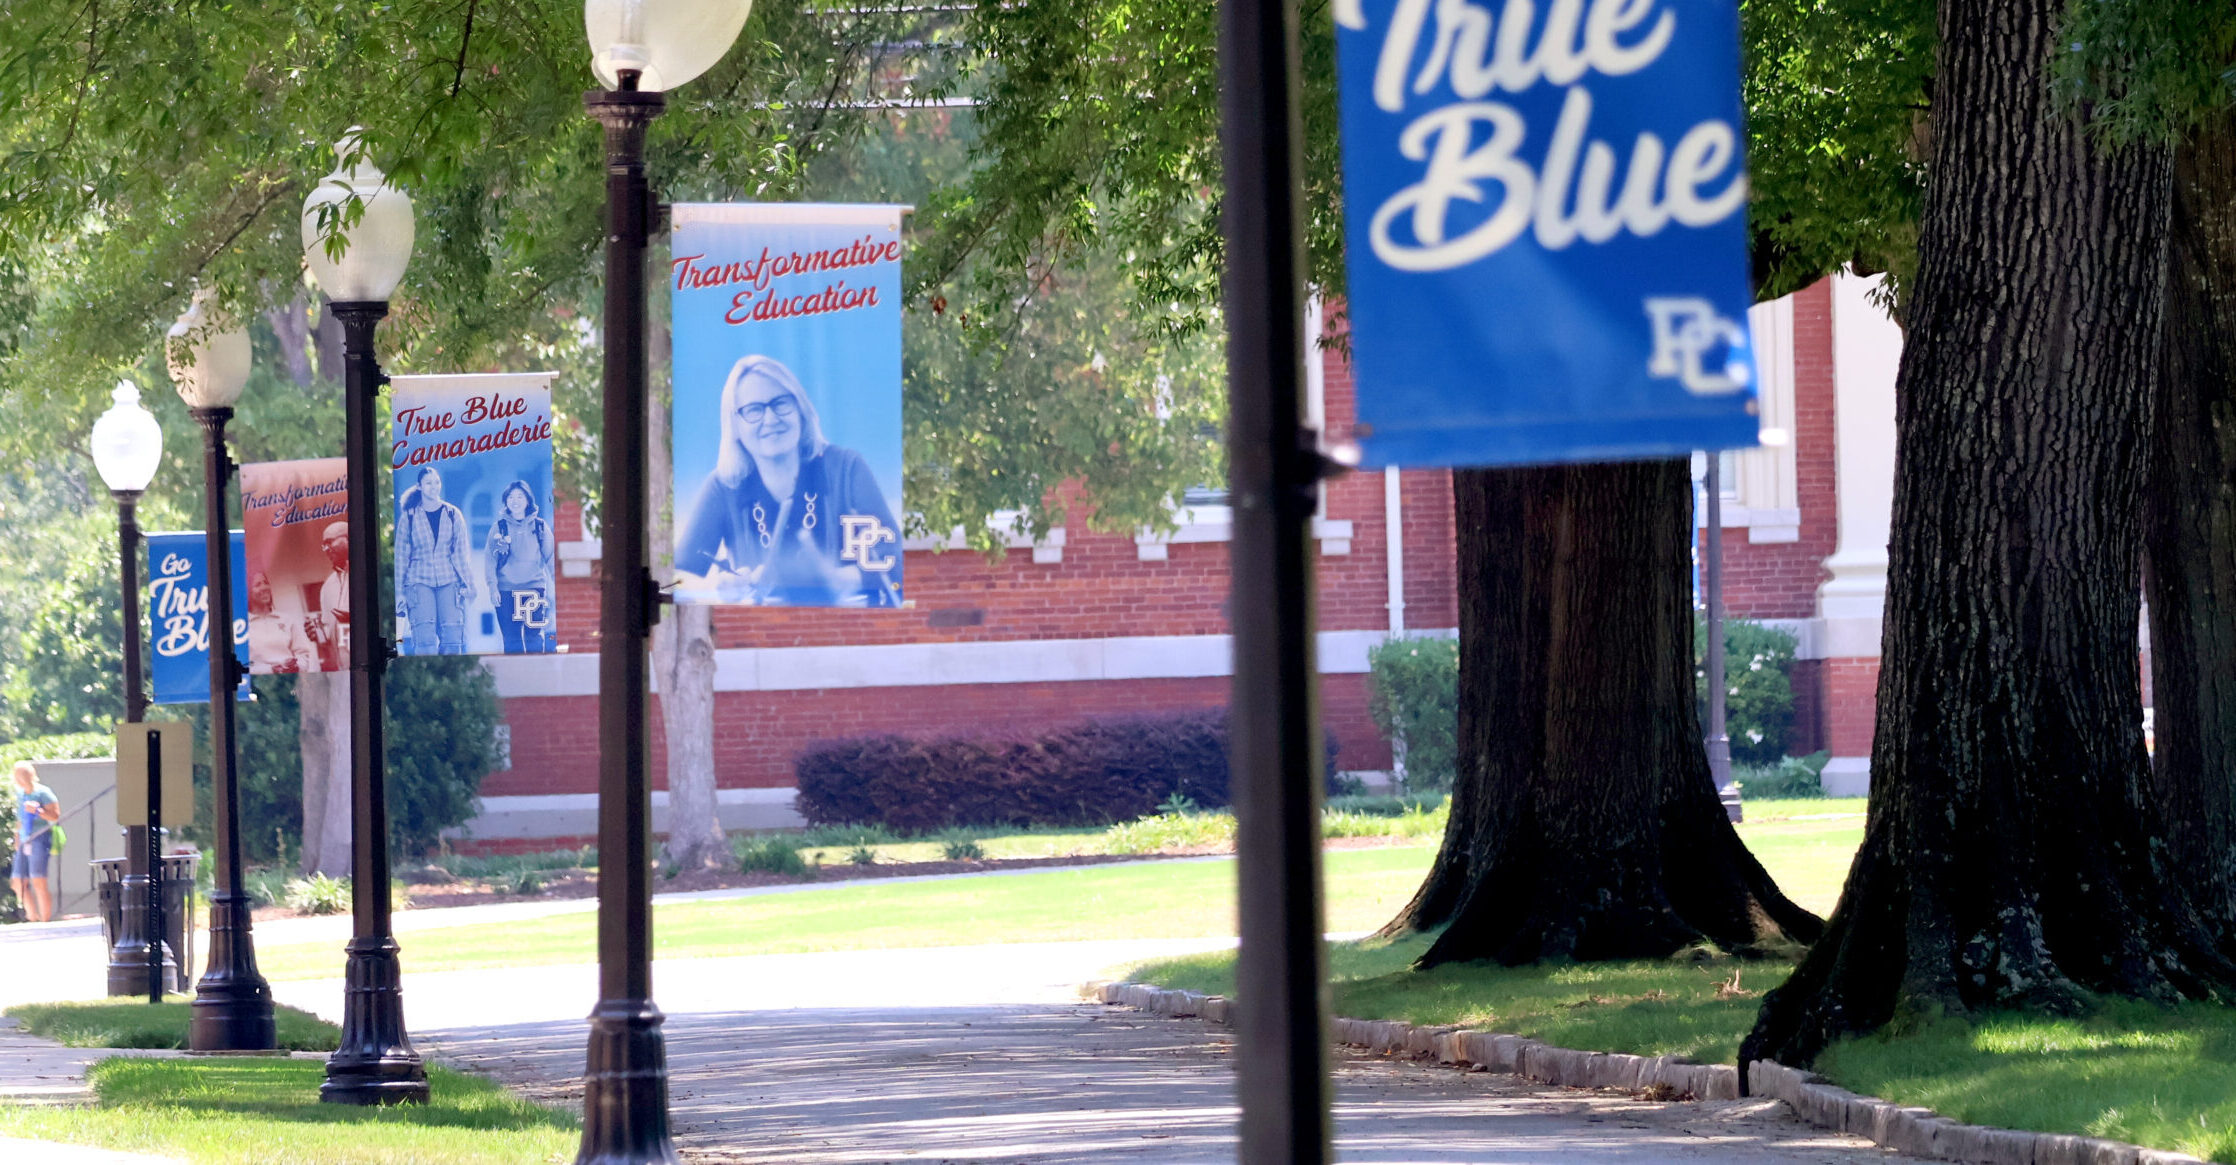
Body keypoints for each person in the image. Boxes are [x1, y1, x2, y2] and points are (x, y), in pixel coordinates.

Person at [675, 355, 903, 606]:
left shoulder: (846, 468)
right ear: (735, 425)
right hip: (761, 635)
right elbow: (681, 576)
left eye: (781, 403)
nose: (771, 420)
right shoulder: (723, 486)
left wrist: (840, 580)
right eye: (754, 410)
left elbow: (893, 556)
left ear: (801, 411)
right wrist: (718, 587)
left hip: (847, 627)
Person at [396, 467, 475, 654]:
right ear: (420, 486)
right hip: (419, 580)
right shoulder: (409, 516)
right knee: (424, 638)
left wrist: (470, 585)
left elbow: (461, 554)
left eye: (436, 482)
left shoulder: (453, 514)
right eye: (428, 483)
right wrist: (399, 592)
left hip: (449, 580)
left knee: (453, 636)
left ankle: (452, 678)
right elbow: (401, 556)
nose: (434, 487)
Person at [485, 479, 556, 653]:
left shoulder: (540, 526)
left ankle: (538, 674)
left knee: (534, 638)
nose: (515, 500)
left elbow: (551, 558)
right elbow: (490, 560)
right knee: (511, 640)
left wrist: (560, 589)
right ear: (506, 501)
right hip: (506, 591)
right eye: (510, 497)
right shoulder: (499, 527)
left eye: (519, 496)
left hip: (534, 589)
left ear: (528, 500)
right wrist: (493, 588)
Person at [10, 762, 60, 923]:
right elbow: (19, 820)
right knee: (18, 881)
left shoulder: (43, 792)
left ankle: (45, 920)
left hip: (40, 837)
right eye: (17, 775)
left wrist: (38, 811)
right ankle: (32, 917)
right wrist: (17, 839)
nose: (20, 778)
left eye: (23, 774)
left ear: (31, 774)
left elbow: (55, 816)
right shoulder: (20, 794)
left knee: (38, 880)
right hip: (24, 839)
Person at [246, 571, 317, 674]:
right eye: (257, 585)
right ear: (247, 592)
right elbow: (242, 665)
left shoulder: (286, 619)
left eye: (266, 583)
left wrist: (297, 666)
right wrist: (271, 670)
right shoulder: (242, 625)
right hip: (259, 685)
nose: (264, 587)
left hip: (290, 681)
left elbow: (303, 654)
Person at [304, 521, 350, 671]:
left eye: (329, 542)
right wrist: (318, 635)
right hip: (342, 672)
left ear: (348, 538)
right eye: (324, 545)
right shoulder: (327, 587)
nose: (326, 549)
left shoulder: (367, 573)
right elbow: (328, 638)